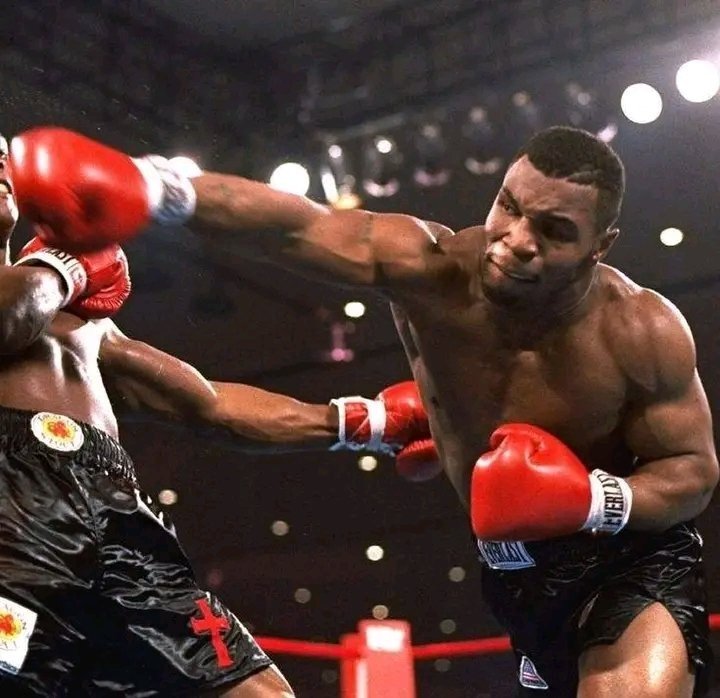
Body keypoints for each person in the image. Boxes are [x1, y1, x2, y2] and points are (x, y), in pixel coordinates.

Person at [10, 124, 719, 696]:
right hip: (516, 578)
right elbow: (296, 229)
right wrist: (154, 186)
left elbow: (692, 470)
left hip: (630, 561)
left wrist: (592, 499)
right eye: (509, 206)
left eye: (555, 231)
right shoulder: (432, 270)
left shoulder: (639, 329)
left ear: (601, 246)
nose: (516, 240)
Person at [0, 133, 438, 696]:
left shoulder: (73, 315)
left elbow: (207, 403)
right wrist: (63, 266)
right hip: (13, 524)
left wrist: (365, 423)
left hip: (122, 526)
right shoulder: (51, 281)